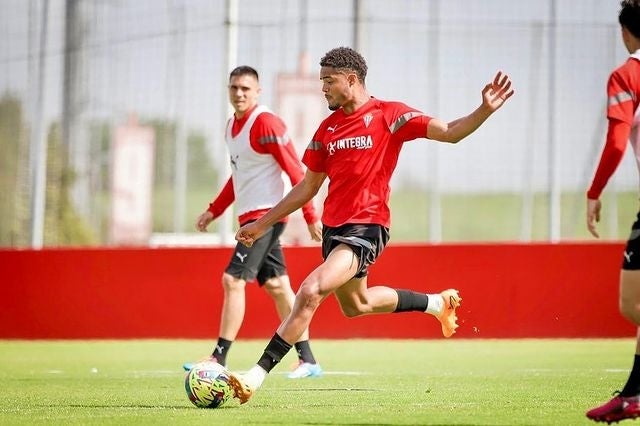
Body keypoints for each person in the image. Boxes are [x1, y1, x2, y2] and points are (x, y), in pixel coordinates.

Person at [221, 47, 514, 404]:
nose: (323, 88)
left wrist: (484, 109)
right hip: (334, 232)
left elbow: (450, 131)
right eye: (321, 81)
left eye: (329, 81)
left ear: (352, 80)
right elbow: (307, 187)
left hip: (367, 228)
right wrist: (262, 224)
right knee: (356, 305)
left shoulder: (390, 115)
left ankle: (255, 375)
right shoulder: (326, 129)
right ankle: (437, 303)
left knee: (311, 289)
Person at [183, 65, 324, 379]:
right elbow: (238, 178)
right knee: (277, 286)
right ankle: (308, 360)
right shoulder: (231, 128)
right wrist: (213, 210)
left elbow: (296, 171)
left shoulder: (266, 122)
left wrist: (311, 215)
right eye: (234, 87)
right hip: (250, 218)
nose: (239, 93)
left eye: (246, 88)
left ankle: (218, 357)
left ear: (258, 92)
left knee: (233, 281)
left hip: (266, 218)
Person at [585, 1, 640, 423]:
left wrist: (595, 191)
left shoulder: (628, 74)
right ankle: (633, 394)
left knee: (632, 303)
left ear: (626, 32)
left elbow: (618, 143)